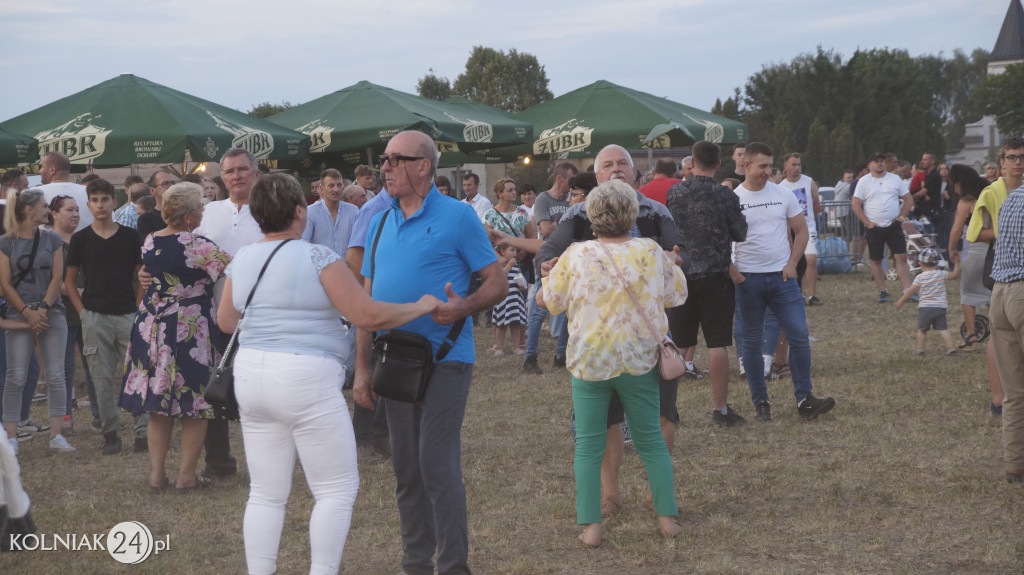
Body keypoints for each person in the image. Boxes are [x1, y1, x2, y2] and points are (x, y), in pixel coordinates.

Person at [218, 172, 440, 574]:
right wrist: (420, 307)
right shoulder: (318, 256)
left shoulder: (243, 258)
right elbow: (364, 314)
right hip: (305, 375)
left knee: (266, 494)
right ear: (300, 211)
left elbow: (226, 320)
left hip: (251, 375)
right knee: (336, 490)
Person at [352, 130, 506, 575]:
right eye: (383, 159)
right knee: (406, 469)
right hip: (395, 361)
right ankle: (415, 563)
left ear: (423, 165)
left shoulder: (458, 216)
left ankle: (454, 566)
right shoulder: (379, 223)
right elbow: (368, 304)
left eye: (394, 160)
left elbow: (494, 282)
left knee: (436, 464)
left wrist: (466, 304)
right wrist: (362, 369)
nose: (384, 167)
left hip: (446, 359)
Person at [536, 144, 684, 519]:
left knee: (660, 420)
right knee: (611, 425)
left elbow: (682, 251)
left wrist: (676, 259)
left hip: (631, 344)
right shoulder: (576, 216)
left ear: (635, 175)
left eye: (623, 163)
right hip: (624, 350)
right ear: (596, 175)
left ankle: (651, 499)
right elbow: (547, 253)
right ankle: (613, 496)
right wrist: (549, 262)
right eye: (608, 164)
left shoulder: (657, 212)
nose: (617, 169)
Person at [120, 184, 230, 491]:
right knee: (195, 403)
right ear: (189, 216)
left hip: (152, 325)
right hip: (190, 327)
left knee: (159, 403)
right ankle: (186, 477)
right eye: (200, 208)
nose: (203, 212)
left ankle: (157, 475)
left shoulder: (151, 240)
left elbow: (150, 272)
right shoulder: (200, 246)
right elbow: (233, 268)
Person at [733, 142, 835, 422]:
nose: (769, 171)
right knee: (752, 344)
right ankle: (761, 402)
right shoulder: (733, 198)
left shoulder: (782, 194)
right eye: (762, 166)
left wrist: (792, 264)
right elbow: (721, 240)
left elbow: (801, 232)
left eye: (770, 165)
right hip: (748, 281)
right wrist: (736, 275)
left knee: (799, 336)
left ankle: (805, 399)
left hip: (783, 279)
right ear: (746, 165)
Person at [192, 148, 265, 480]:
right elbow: (186, 254)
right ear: (221, 177)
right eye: (230, 171)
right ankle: (219, 462)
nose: (236, 176)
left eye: (242, 170)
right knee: (216, 389)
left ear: (256, 173)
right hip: (214, 314)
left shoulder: (270, 211)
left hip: (262, 316)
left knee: (260, 393)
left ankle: (264, 464)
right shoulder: (207, 213)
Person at [667, 140, 748, 426]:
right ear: (717, 164)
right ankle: (721, 409)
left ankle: (669, 409)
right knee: (717, 343)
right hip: (716, 275)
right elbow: (740, 232)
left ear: (691, 163)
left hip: (682, 275)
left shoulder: (674, 193)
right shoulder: (725, 195)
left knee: (677, 345)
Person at [65, 179, 146, 455]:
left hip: (127, 315)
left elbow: (142, 275)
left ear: (115, 201)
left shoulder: (130, 236)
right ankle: (111, 434)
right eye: (95, 200)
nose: (100, 204)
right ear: (89, 204)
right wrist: (83, 313)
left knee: (137, 374)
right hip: (94, 317)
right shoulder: (80, 238)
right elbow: (69, 280)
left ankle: (143, 433)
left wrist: (137, 308)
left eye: (105, 199)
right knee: (101, 378)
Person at [0, 189, 75, 455]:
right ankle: (11, 437)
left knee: (56, 375)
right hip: (18, 312)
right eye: (44, 206)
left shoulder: (52, 239)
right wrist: (27, 311)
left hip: (51, 312)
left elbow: (57, 278)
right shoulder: (5, 242)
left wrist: (43, 308)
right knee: (15, 376)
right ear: (29, 210)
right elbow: (5, 283)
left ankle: (56, 435)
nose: (48, 210)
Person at [967, 137, 1024, 417]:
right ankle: (998, 398)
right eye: (1011, 157)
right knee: (1000, 334)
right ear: (1002, 163)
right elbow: (974, 233)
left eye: (1021, 157)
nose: (1017, 163)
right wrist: (1009, 232)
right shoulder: (991, 192)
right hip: (1002, 264)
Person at [522, 161, 578, 374]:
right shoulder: (543, 199)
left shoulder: (570, 199)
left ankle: (561, 355)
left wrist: (559, 225)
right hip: (547, 260)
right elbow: (545, 227)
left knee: (567, 310)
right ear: (559, 178)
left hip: (567, 259)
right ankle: (530, 357)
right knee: (538, 309)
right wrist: (568, 221)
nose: (572, 187)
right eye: (570, 180)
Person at [990, 182, 1024, 483]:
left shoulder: (1012, 199)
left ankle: (1015, 465)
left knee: (1014, 393)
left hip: (1000, 295)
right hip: (1022, 292)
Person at [852, 152, 914, 303]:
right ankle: (883, 291)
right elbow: (855, 204)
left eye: (882, 161)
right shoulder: (864, 182)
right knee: (876, 259)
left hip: (893, 225)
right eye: (876, 161)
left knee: (901, 257)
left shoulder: (894, 179)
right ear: (869, 165)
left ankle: (907, 291)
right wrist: (867, 222)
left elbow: (908, 199)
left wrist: (900, 217)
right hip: (874, 227)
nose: (880, 164)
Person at [894, 247, 962, 354]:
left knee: (922, 330)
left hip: (925, 308)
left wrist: (901, 301)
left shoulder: (920, 277)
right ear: (937, 263)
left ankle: (920, 349)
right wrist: (957, 263)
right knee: (943, 329)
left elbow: (910, 291)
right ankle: (951, 347)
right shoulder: (941, 273)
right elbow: (954, 275)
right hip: (940, 307)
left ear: (920, 263)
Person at [778, 153, 823, 305]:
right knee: (795, 261)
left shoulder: (808, 182)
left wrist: (811, 220)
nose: (797, 168)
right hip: (790, 230)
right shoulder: (781, 187)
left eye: (799, 164)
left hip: (808, 227)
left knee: (811, 259)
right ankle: (798, 294)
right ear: (786, 166)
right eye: (793, 165)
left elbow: (816, 205)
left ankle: (812, 295)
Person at [36, 152, 92, 231]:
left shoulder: (34, 194)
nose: (39, 171)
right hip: (86, 242)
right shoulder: (90, 193)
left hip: (44, 243)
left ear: (52, 169)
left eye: (42, 166)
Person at [487, 245, 527, 355]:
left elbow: (521, 282)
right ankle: (499, 348)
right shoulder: (500, 265)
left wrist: (522, 285)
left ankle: (517, 347)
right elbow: (500, 278)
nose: (515, 253)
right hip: (503, 300)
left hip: (514, 299)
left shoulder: (517, 266)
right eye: (512, 250)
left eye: (516, 250)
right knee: (501, 325)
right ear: (502, 252)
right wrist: (509, 265)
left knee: (515, 325)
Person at [137, 170, 178, 239]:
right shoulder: (146, 219)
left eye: (173, 183)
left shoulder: (184, 214)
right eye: (165, 183)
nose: (171, 186)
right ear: (152, 190)